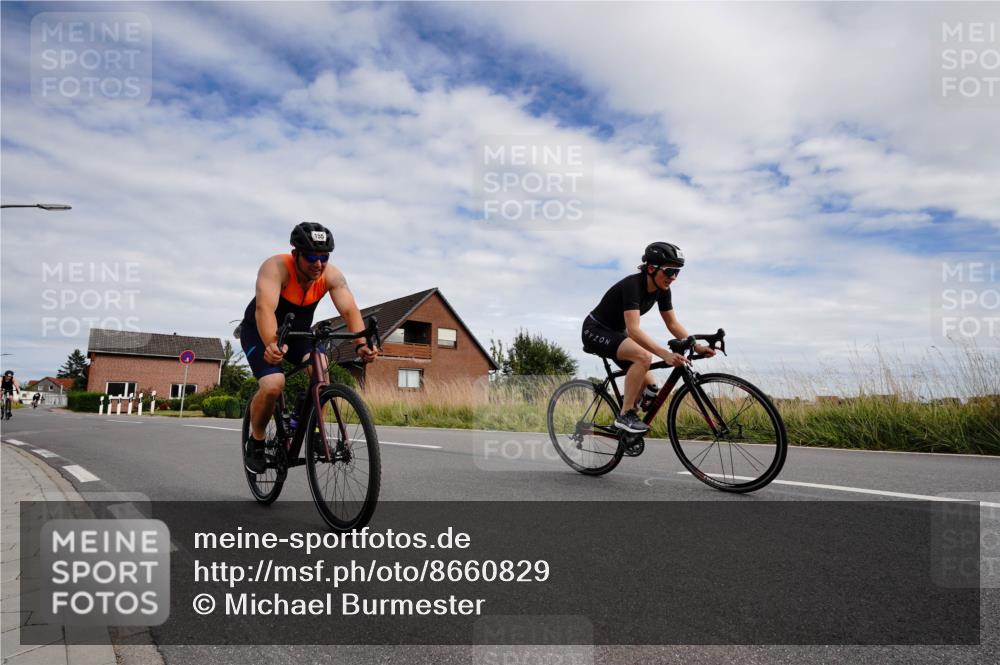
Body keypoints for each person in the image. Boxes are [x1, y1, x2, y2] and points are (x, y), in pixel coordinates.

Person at [239, 222, 378, 473]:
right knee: (273, 385)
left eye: (323, 257)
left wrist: (361, 344)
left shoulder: (331, 275)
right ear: (296, 254)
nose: (318, 264)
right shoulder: (275, 267)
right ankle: (256, 441)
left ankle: (311, 426)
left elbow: (349, 310)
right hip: (259, 330)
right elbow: (265, 310)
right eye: (312, 257)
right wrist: (272, 343)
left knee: (321, 370)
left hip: (299, 333)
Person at [582, 242, 715, 434]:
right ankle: (625, 415)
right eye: (670, 271)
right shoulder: (633, 285)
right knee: (643, 357)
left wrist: (697, 346)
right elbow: (634, 330)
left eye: (678, 272)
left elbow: (673, 324)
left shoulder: (663, 291)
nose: (674, 278)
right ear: (652, 268)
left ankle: (623, 426)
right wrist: (665, 354)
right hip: (595, 330)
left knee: (651, 387)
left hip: (617, 333)